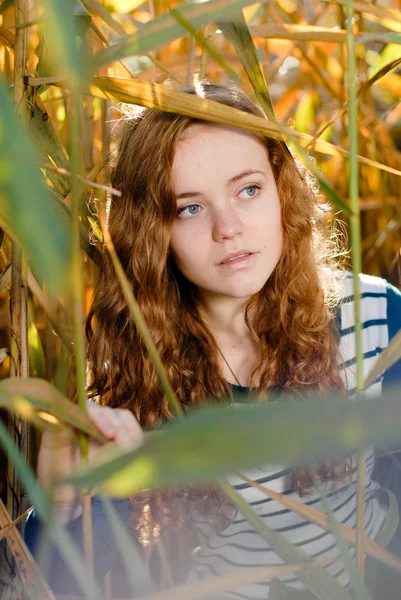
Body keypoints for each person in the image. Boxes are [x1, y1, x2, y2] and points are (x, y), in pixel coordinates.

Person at [25, 81, 401, 600]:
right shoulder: (138, 374)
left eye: (248, 189)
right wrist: (61, 506)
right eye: (190, 208)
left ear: (280, 190)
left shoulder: (375, 321)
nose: (228, 228)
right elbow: (63, 579)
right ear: (155, 231)